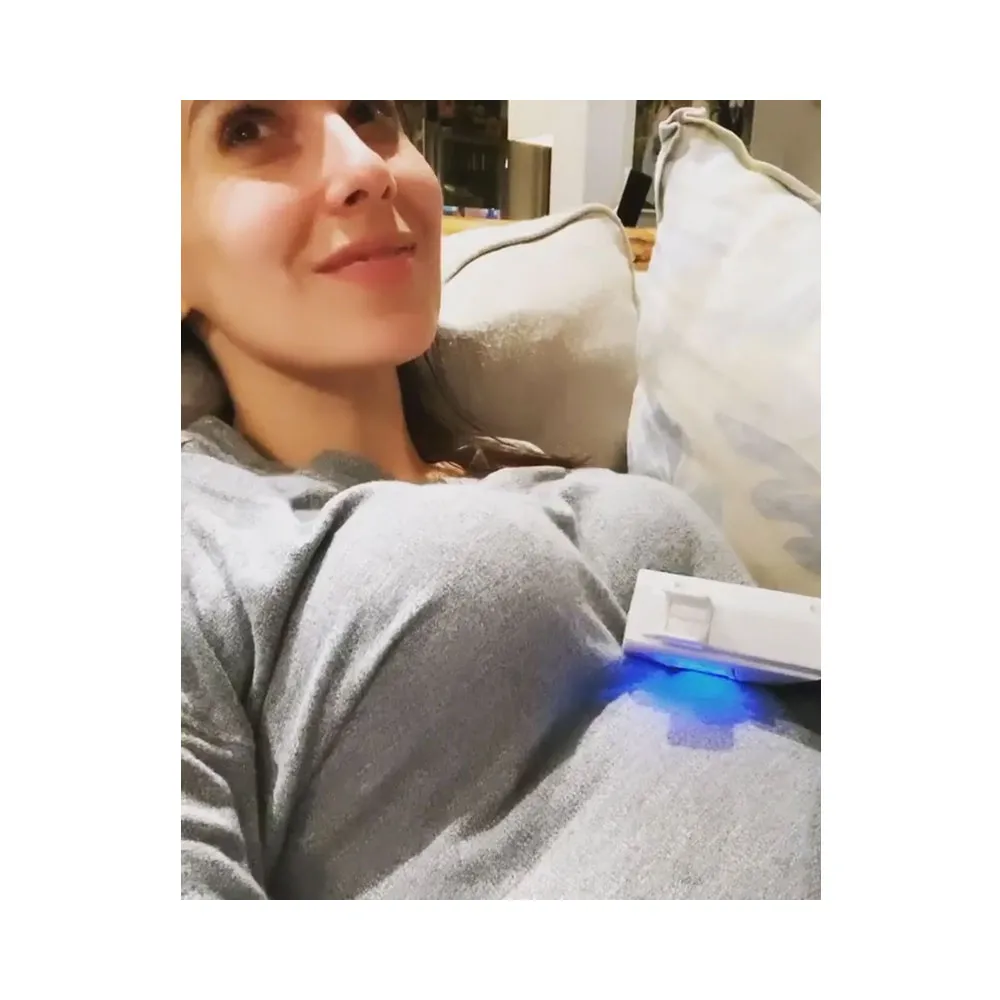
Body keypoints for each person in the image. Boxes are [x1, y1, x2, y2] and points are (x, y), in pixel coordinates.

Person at [181, 100, 819, 899]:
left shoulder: (567, 481)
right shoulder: (196, 528)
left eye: (370, 113)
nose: (365, 167)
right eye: (248, 128)